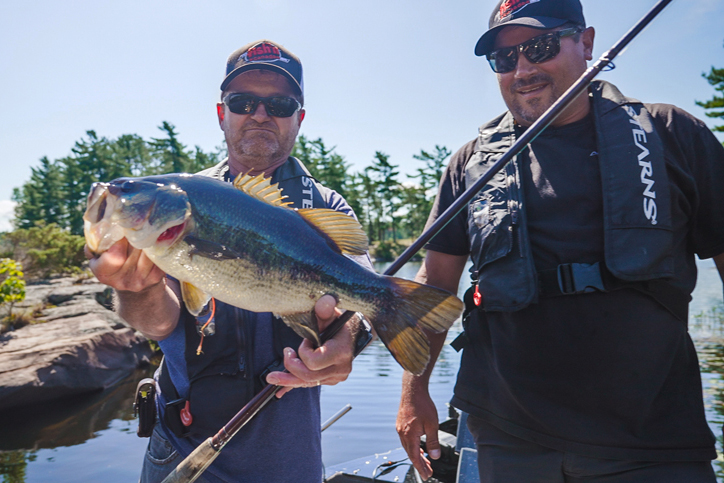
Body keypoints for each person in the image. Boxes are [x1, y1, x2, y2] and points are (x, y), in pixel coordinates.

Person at [396, 1, 724, 481]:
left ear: (587, 43)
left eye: (540, 47)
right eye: (504, 59)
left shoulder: (674, 134)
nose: (522, 69)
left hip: (654, 439)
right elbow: (435, 285)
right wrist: (412, 391)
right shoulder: (468, 163)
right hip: (505, 436)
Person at [87, 40, 372, 483]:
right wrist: (135, 288)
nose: (260, 114)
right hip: (182, 448)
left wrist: (347, 339)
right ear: (223, 113)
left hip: (289, 455)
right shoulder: (180, 203)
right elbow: (160, 323)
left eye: (279, 103)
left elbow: (363, 292)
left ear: (299, 117)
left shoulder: (326, 208)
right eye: (243, 102)